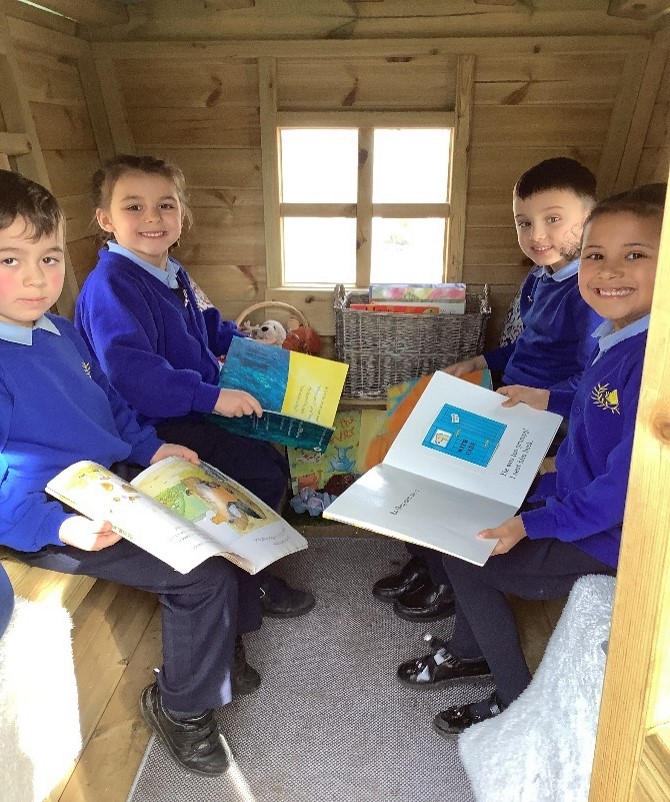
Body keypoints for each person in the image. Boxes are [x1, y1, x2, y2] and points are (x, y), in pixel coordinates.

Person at [0, 168, 267, 776]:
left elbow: (112, 406)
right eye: (10, 260)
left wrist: (151, 449)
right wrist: (57, 527)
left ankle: (220, 650)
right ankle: (181, 707)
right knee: (201, 574)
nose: (37, 278)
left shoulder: (59, 330)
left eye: (48, 257)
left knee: (223, 519)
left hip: (112, 476)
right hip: (49, 512)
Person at [396, 182, 665, 737]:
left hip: (609, 537)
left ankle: (513, 694)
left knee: (473, 552)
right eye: (596, 255)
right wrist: (547, 404)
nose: (610, 271)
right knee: (459, 513)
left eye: (635, 255)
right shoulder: (619, 336)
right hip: (576, 496)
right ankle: (470, 648)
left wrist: (533, 522)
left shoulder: (652, 359)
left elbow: (623, 491)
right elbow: (599, 403)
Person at [74, 154, 314, 618]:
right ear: (105, 219)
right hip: (150, 427)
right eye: (133, 207)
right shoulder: (112, 286)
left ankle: (255, 571)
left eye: (166, 205)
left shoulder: (171, 271)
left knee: (268, 458)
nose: (152, 218)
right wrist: (213, 397)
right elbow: (134, 376)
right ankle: (240, 607)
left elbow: (209, 323)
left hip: (190, 407)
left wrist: (252, 351)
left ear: (182, 215)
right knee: (251, 477)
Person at [374, 157, 603, 625]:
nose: (538, 236)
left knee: (452, 477)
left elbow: (591, 382)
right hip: (513, 397)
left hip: (548, 420)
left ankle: (448, 579)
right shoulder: (540, 280)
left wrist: (544, 399)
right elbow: (527, 348)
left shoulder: (590, 292)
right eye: (525, 223)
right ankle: (427, 560)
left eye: (553, 219)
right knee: (411, 442)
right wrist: (483, 361)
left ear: (590, 218)